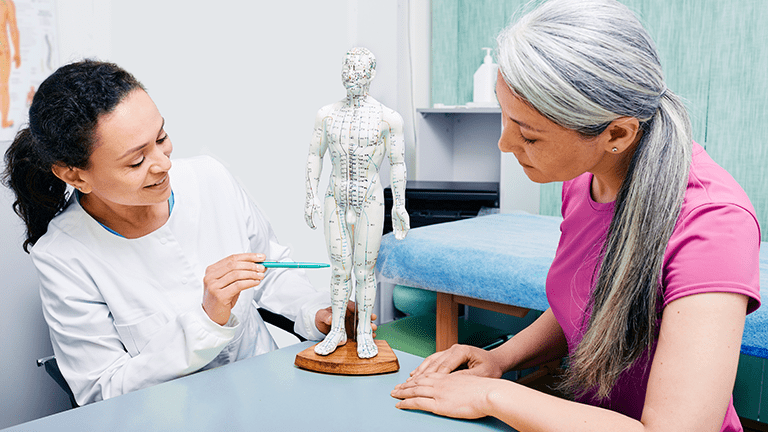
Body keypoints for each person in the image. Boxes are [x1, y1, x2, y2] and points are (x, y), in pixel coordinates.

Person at [391, 1, 761, 431]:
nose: (505, 144)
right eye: (506, 118)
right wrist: (500, 359)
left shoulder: (713, 225)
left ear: (617, 134)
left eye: (528, 135)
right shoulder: (584, 180)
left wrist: (495, 394)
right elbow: (589, 302)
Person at [2, 59, 372, 406]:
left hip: (267, 394)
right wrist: (206, 318)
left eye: (161, 138)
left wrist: (315, 311)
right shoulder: (63, 256)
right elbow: (103, 390)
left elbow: (270, 272)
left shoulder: (209, 178)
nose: (163, 165)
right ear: (74, 175)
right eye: (136, 160)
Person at [304, 47, 409, 359]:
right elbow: (314, 154)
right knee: (339, 270)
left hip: (369, 199)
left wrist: (399, 205)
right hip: (336, 197)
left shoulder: (388, 119)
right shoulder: (327, 114)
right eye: (347, 68)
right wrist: (310, 195)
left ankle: (364, 331)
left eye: (359, 69)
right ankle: (337, 329)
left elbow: (398, 163)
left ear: (371, 74)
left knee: (364, 272)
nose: (352, 75)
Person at [0, 0, 20, 128]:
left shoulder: (7, 3)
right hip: (3, 51)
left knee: (3, 87)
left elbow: (13, 29)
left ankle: (4, 120)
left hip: (3, 52)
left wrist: (17, 53)